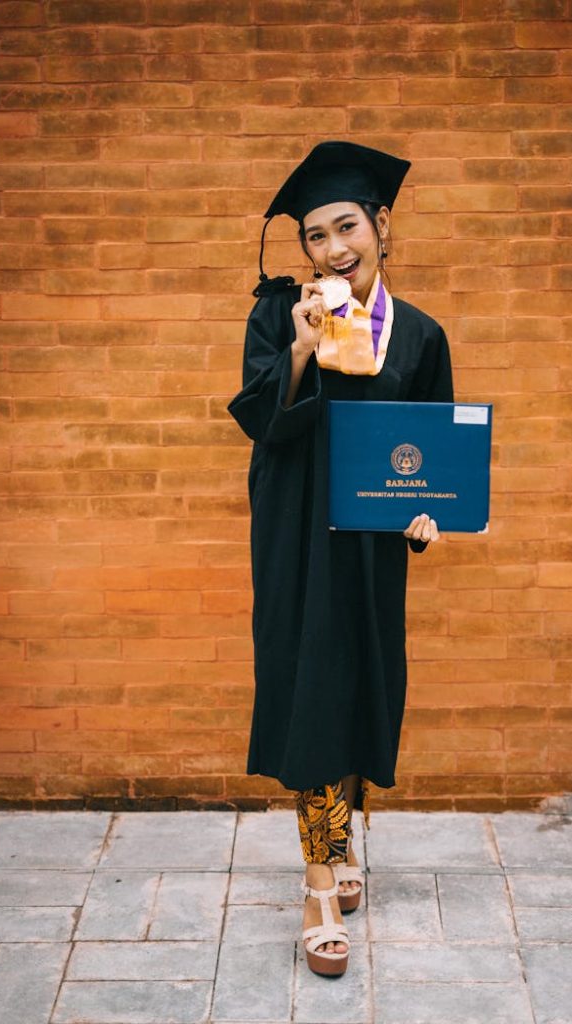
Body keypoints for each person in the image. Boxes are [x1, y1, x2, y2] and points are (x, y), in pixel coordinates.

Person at [228, 141, 453, 977]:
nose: (331, 249)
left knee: (360, 677)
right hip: (293, 535)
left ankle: (344, 835)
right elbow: (262, 423)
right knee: (309, 690)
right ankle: (319, 884)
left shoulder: (420, 333)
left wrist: (427, 518)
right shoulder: (277, 315)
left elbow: (429, 452)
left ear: (381, 225)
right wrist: (296, 348)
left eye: (345, 227)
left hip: (368, 546)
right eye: (313, 236)